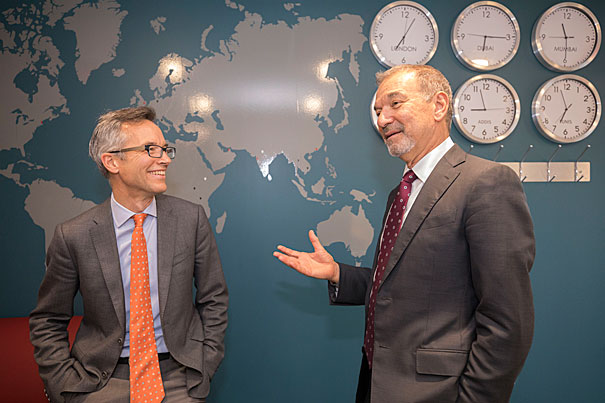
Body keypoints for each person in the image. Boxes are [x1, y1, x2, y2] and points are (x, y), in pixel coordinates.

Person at [274, 65, 535, 403]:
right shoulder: (400, 192)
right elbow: (404, 283)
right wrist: (338, 273)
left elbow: (508, 321)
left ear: (439, 106)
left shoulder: (486, 183)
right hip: (376, 383)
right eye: (379, 111)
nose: (383, 120)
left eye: (395, 104)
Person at [29, 106, 228, 402]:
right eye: (151, 149)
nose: (165, 158)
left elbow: (214, 299)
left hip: (178, 378)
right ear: (111, 161)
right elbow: (48, 319)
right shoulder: (73, 235)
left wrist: (204, 364)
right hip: (99, 381)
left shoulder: (191, 220)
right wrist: (63, 384)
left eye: (165, 148)